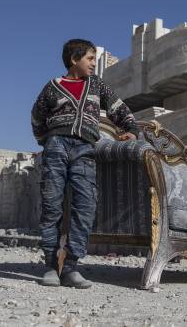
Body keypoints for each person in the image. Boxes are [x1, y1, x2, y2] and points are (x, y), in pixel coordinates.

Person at [31, 39, 139, 288]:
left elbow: (118, 108)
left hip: (85, 150)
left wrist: (131, 129)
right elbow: (37, 116)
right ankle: (50, 265)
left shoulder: (97, 85)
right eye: (90, 59)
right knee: (51, 205)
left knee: (85, 204)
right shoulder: (52, 87)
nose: (93, 64)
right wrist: (45, 140)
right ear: (73, 60)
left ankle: (70, 267)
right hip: (56, 146)